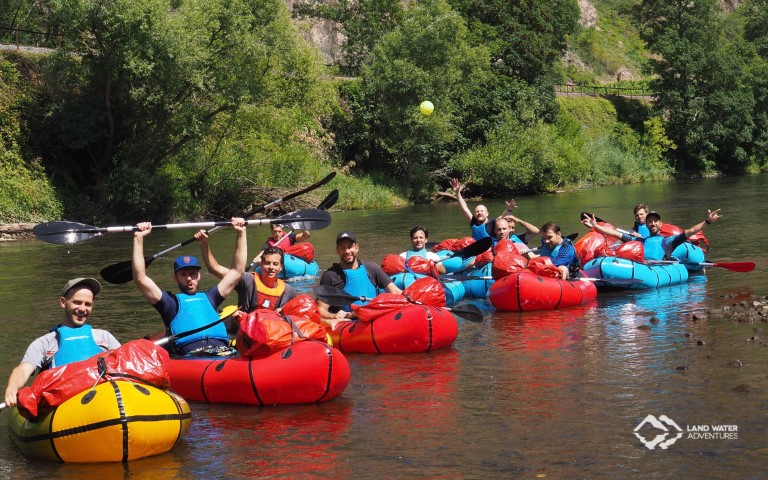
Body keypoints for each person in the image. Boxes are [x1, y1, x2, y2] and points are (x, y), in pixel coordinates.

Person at [132, 218, 247, 355]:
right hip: (192, 357)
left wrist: (241, 233)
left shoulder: (211, 297)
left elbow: (236, 271)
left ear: (199, 276)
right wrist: (138, 239)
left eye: (192, 273)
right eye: (183, 274)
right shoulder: (169, 303)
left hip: (224, 352)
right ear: (175, 278)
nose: (188, 278)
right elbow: (140, 278)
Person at [4, 278, 120, 407]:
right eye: (77, 302)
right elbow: (23, 370)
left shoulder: (105, 337)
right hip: (65, 407)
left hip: (107, 399)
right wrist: (12, 387)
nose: (82, 309)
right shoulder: (45, 343)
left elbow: (125, 363)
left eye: (88, 304)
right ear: (63, 302)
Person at [198, 234, 298, 316]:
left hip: (272, 334)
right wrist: (204, 244)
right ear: (261, 264)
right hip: (246, 331)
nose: (271, 267)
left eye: (275, 264)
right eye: (267, 263)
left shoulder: (289, 291)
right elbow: (214, 269)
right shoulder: (247, 280)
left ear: (281, 267)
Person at [317, 231, 402, 321]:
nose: (347, 251)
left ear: (356, 248)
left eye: (350, 247)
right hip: (348, 322)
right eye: (343, 248)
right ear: (337, 250)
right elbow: (321, 309)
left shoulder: (372, 268)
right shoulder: (330, 276)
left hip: (374, 317)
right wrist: (333, 316)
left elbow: (396, 292)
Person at [582, 209, 721, 261]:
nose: (652, 223)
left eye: (655, 221)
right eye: (650, 222)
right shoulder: (640, 241)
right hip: (643, 266)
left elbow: (691, 231)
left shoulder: (669, 241)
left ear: (661, 224)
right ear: (647, 225)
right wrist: (595, 226)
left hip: (658, 268)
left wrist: (707, 221)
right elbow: (615, 233)